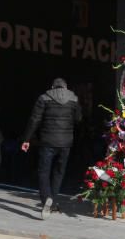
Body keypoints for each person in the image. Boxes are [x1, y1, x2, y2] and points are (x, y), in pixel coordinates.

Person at [20, 77, 82, 219]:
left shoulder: (44, 98)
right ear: (65, 87)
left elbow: (34, 119)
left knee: (43, 172)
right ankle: (53, 203)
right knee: (59, 172)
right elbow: (78, 119)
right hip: (66, 142)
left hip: (47, 141)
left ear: (52, 87)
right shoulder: (74, 99)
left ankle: (47, 198)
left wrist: (26, 139)